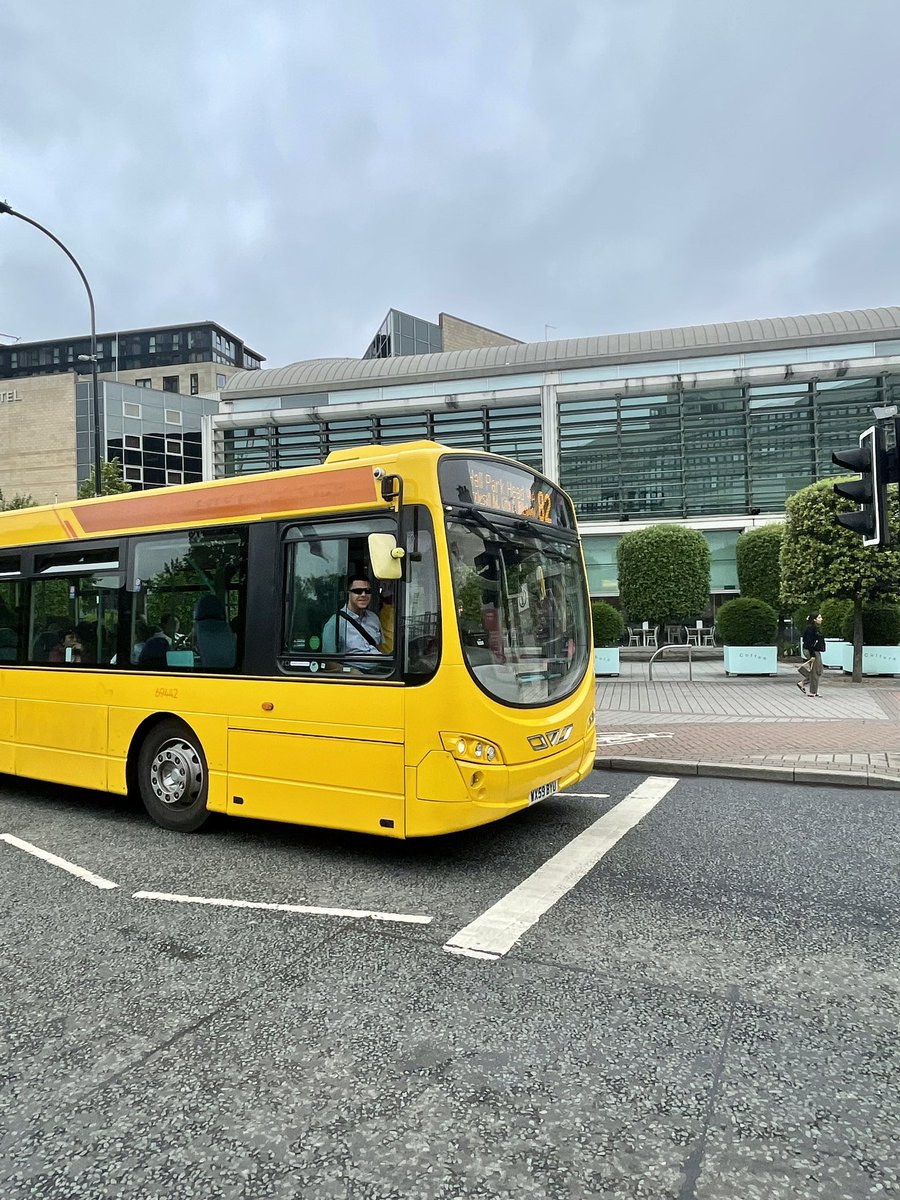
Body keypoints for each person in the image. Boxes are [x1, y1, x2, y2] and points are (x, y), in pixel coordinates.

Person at [322, 576, 385, 666]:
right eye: (358, 591)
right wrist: (352, 671)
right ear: (348, 593)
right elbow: (328, 662)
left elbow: (379, 648)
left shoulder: (374, 618)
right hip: (354, 672)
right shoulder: (335, 623)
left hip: (382, 671)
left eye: (367, 591)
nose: (363, 595)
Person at [798, 612, 826, 698]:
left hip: (816, 651)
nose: (821, 619)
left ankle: (803, 683)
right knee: (815, 671)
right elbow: (809, 643)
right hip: (812, 651)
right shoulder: (810, 629)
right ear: (814, 619)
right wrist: (812, 655)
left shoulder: (816, 628)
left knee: (819, 671)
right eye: (819, 617)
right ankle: (813, 691)